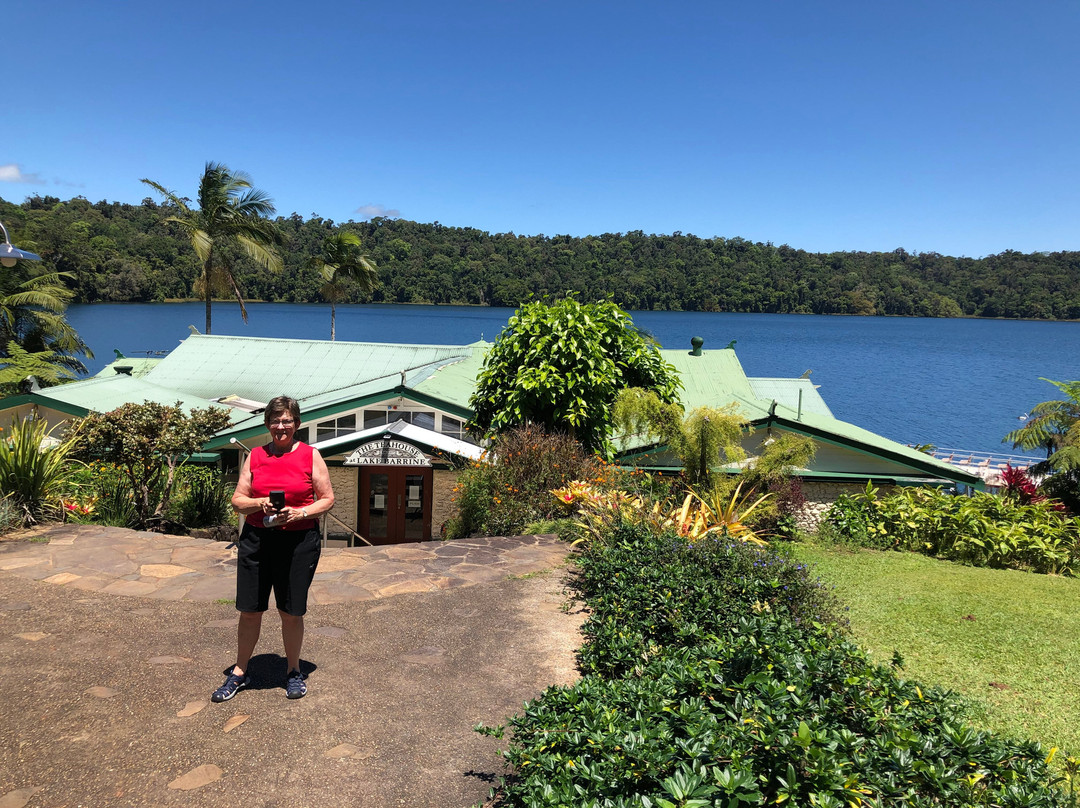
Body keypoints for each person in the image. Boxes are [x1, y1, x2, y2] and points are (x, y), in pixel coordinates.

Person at [212, 395, 335, 702]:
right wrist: (259, 502)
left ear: (297, 423)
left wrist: (301, 512)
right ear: (267, 424)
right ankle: (240, 672)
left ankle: (293, 671)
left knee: (290, 611)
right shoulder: (255, 456)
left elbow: (327, 498)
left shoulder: (310, 455)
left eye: (287, 420)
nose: (281, 426)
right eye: (275, 420)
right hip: (258, 539)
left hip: (298, 542)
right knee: (250, 610)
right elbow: (238, 500)